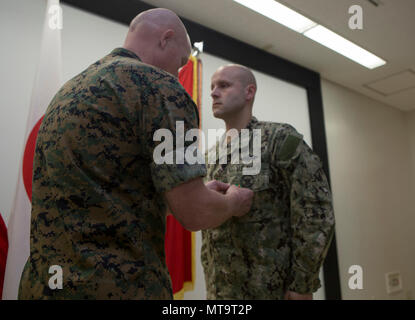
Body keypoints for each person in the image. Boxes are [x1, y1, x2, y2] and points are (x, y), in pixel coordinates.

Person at [18, 9, 253, 300]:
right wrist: (232, 203)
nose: (177, 73)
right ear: (166, 39)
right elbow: (195, 212)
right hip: (118, 287)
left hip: (43, 286)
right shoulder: (161, 89)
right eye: (181, 63)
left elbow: (107, 192)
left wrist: (191, 191)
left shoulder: (69, 90)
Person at [201, 64, 335, 300]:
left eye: (223, 85)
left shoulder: (279, 140)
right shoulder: (210, 157)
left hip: (270, 291)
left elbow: (316, 213)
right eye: (212, 86)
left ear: (249, 92)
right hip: (220, 292)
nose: (213, 92)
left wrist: (302, 284)